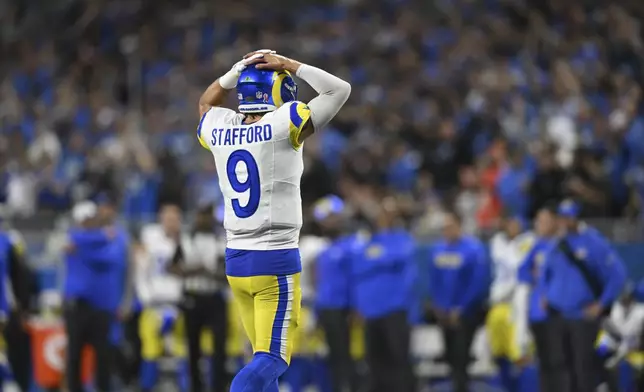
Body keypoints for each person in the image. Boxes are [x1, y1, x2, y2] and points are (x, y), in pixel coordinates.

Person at [195, 48, 350, 392]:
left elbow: (205, 104)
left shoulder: (220, 126)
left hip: (236, 260)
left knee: (262, 365)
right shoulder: (284, 123)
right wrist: (292, 64)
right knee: (273, 358)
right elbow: (339, 90)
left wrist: (230, 75)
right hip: (274, 257)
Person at [537, 199, 627, 392]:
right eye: (562, 217)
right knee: (560, 367)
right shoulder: (558, 243)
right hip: (557, 315)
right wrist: (544, 293)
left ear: (578, 218)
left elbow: (617, 275)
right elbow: (545, 271)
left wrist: (602, 304)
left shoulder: (594, 242)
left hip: (582, 316)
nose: (565, 221)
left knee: (583, 368)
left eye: (569, 217)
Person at [351, 197, 416, 392]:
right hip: (369, 312)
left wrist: (376, 261)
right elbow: (357, 269)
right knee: (374, 362)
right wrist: (358, 305)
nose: (383, 218)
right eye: (381, 214)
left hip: (394, 308)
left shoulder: (402, 238)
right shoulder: (367, 242)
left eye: (388, 214)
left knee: (399, 360)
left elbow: (404, 262)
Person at [167, 204, 229, 392]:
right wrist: (191, 271)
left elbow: (226, 272)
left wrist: (207, 272)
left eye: (207, 216)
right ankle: (196, 387)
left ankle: (218, 386)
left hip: (214, 295)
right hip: (193, 296)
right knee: (193, 347)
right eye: (201, 215)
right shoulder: (186, 239)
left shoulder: (221, 239)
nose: (204, 220)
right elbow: (172, 266)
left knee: (220, 346)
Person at [427, 210, 489, 392]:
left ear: (459, 226)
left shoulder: (473, 249)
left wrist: (461, 308)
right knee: (450, 358)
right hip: (444, 314)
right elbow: (434, 280)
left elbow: (477, 283)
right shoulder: (437, 250)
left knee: (461, 358)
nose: (446, 231)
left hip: (465, 314)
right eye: (444, 228)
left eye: (450, 226)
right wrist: (438, 305)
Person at [63, 201, 118, 392]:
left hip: (101, 307)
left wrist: (84, 249)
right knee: (74, 355)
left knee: (103, 355)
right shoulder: (89, 238)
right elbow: (74, 237)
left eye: (91, 219)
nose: (89, 223)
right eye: (85, 220)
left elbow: (111, 257)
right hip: (77, 305)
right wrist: (102, 238)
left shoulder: (84, 243)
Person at [135, 204, 190, 392]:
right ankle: (147, 387)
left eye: (175, 219)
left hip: (178, 304)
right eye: (168, 219)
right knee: (150, 350)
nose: (171, 223)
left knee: (182, 350)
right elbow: (141, 272)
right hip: (154, 304)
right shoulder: (150, 238)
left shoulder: (186, 240)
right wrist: (146, 298)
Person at [311, 195, 362, 392]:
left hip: (343, 308)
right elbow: (320, 282)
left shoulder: (351, 246)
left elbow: (355, 279)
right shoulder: (324, 249)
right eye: (324, 219)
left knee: (347, 356)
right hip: (327, 307)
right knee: (333, 356)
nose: (327, 222)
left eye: (330, 217)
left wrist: (356, 306)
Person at [486, 215, 536, 392]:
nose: (513, 227)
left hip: (518, 303)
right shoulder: (497, 242)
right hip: (498, 302)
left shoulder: (529, 241)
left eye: (516, 224)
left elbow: (520, 267)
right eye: (510, 223)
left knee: (520, 352)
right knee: (498, 353)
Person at [513, 205, 559, 392]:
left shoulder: (560, 245)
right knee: (544, 362)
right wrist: (534, 275)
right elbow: (522, 272)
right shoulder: (536, 246)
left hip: (557, 313)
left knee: (560, 362)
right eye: (538, 221)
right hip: (537, 313)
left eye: (545, 221)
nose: (541, 225)